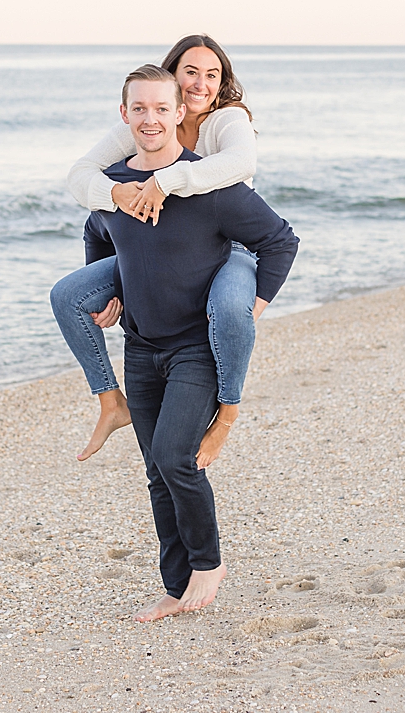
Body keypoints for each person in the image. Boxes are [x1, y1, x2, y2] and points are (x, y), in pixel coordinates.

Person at [77, 64, 298, 621]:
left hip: (196, 349)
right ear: (124, 116)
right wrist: (109, 291)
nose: (150, 119)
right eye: (139, 110)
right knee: (156, 468)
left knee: (177, 458)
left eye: (161, 109)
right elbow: (97, 232)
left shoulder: (211, 185)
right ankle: (176, 586)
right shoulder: (115, 188)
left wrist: (254, 307)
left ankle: (209, 562)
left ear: (181, 114)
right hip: (141, 348)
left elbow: (280, 240)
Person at [51, 35, 260, 462]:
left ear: (221, 85)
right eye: (190, 72)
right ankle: (111, 403)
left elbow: (242, 163)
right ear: (173, 75)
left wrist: (167, 180)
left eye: (212, 75)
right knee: (68, 296)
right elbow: (79, 176)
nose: (200, 83)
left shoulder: (226, 120)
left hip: (226, 248)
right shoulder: (149, 118)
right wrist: (114, 193)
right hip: (156, 248)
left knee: (228, 311)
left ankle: (226, 416)